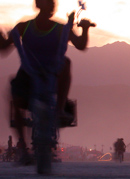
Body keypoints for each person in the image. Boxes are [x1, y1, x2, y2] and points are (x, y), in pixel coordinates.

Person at [0, 0, 95, 163]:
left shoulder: (59, 29)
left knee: (66, 63)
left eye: (52, 3)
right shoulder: (24, 27)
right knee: (14, 94)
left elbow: (80, 45)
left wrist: (85, 29)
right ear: (38, 4)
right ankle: (23, 148)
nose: (51, 5)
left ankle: (59, 109)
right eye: (46, 2)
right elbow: (4, 47)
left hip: (52, 73)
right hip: (29, 73)